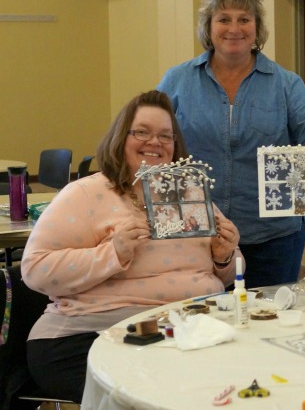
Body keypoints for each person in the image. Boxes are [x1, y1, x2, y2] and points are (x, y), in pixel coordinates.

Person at [21, 91, 242, 403]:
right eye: (142, 132)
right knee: (175, 395)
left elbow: (229, 275)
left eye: (165, 135)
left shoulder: (186, 193)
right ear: (120, 138)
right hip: (94, 333)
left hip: (192, 328)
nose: (155, 142)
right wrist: (113, 253)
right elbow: (35, 270)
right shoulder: (85, 193)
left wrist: (224, 257)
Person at [158, 0, 305, 287]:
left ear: (257, 28)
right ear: (209, 28)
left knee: (271, 312)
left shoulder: (285, 83)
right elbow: (151, 133)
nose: (234, 28)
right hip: (197, 233)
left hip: (273, 237)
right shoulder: (178, 80)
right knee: (201, 315)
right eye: (224, 19)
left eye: (244, 19)